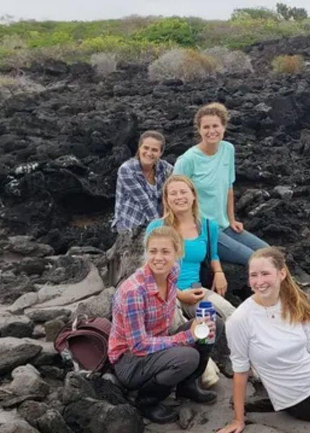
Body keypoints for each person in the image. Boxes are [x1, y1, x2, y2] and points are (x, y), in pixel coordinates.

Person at [108, 226, 223, 424]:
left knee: (214, 323)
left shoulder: (173, 273)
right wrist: (188, 336)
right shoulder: (133, 292)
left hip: (157, 345)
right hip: (130, 359)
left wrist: (195, 326)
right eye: (153, 251)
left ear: (177, 254)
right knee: (188, 356)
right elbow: (138, 345)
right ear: (146, 253)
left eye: (165, 252)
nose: (158, 258)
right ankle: (147, 401)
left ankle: (187, 386)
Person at [212, 247, 310, 433]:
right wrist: (238, 419)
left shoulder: (293, 301)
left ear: (282, 274)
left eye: (265, 274)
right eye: (254, 275)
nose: (259, 281)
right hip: (300, 398)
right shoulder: (240, 319)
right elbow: (240, 369)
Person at [173, 102, 268, 265]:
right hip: (204, 229)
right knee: (255, 261)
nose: (211, 131)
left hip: (224, 225)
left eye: (215, 126)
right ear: (199, 129)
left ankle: (289, 289)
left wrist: (231, 219)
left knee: (269, 253)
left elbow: (228, 188)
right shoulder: (188, 160)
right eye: (206, 127)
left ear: (224, 127)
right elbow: (172, 197)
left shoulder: (228, 149)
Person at [146, 175, 235, 321]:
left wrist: (219, 272)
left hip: (194, 289)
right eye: (173, 194)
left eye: (183, 192)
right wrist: (178, 294)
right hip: (164, 291)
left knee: (228, 312)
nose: (179, 197)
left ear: (193, 195)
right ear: (167, 200)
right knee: (173, 321)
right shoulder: (156, 227)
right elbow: (148, 267)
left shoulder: (208, 226)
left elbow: (213, 255)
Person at [108, 130, 172, 286]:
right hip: (131, 224)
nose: (149, 153)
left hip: (155, 220)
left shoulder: (165, 169)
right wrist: (163, 229)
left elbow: (178, 185)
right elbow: (145, 202)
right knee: (143, 262)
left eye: (154, 150)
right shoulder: (127, 169)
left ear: (161, 152)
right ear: (139, 148)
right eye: (146, 148)